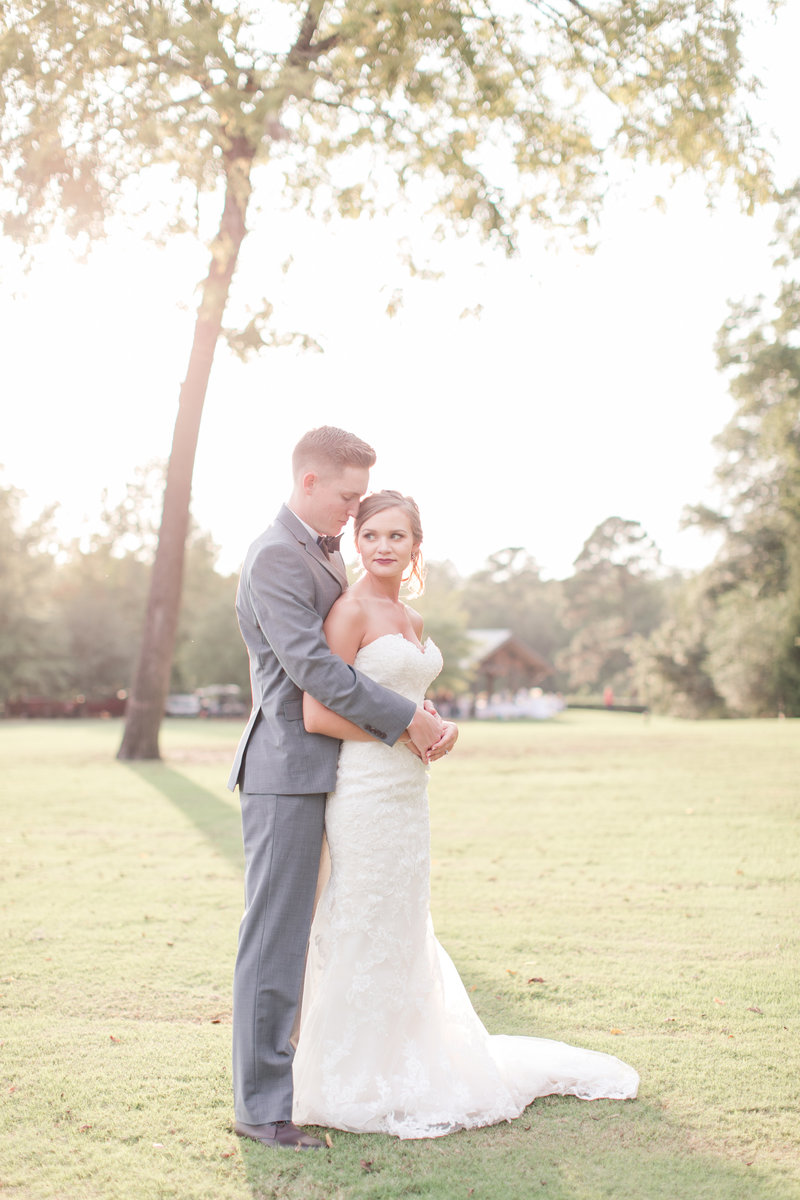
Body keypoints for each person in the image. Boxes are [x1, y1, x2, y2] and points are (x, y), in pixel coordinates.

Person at [292, 490, 639, 1138]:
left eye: (397, 536)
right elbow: (318, 714)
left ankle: (406, 1058)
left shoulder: (414, 619)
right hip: (365, 792)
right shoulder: (349, 612)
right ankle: (350, 1072)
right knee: (362, 919)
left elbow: (408, 699)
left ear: (415, 546)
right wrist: (403, 731)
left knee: (401, 921)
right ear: (357, 542)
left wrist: (435, 727)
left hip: (408, 797)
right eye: (372, 536)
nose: (384, 547)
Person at [228, 429, 456, 1151]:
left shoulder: (320, 556)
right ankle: (262, 1110)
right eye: (349, 497)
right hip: (287, 772)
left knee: (335, 933)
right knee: (276, 940)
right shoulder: (273, 556)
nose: (355, 513)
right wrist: (406, 721)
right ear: (310, 483)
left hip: (344, 776)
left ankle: (329, 1077)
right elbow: (313, 671)